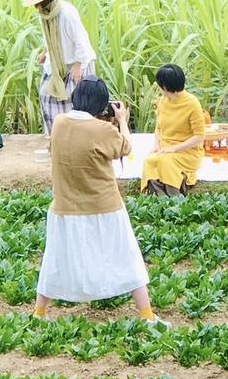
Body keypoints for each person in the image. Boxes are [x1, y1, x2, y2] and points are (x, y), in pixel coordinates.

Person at [34, 78, 167, 325]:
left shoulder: (60, 122)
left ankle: (39, 313)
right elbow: (125, 147)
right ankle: (147, 315)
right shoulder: (103, 130)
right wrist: (122, 120)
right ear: (101, 103)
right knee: (127, 256)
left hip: (64, 207)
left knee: (55, 259)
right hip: (103, 206)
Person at [22, 0, 96, 135]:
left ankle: (76, 139)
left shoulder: (67, 13)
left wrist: (78, 64)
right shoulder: (44, 15)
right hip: (56, 64)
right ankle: (56, 138)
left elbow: (81, 40)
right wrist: (44, 52)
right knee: (46, 97)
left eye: (36, 2)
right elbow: (48, 37)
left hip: (76, 63)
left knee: (76, 103)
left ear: (43, 0)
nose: (35, 6)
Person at [140, 63, 206, 195]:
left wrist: (174, 149)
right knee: (149, 161)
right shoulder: (163, 101)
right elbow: (158, 128)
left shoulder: (192, 103)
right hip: (165, 149)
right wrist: (156, 146)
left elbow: (199, 136)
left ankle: (174, 196)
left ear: (164, 87)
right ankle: (159, 197)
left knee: (165, 161)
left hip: (187, 152)